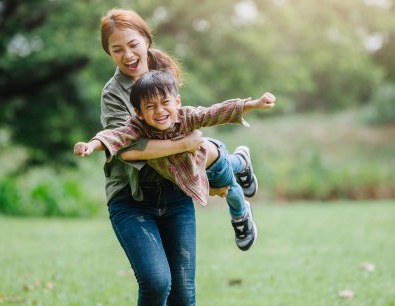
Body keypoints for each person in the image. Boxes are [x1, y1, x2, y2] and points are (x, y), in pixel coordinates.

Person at [76, 8, 258, 306]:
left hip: (174, 194)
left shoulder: (162, 72)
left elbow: (195, 116)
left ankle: (237, 166)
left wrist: (247, 107)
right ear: (108, 53)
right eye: (116, 49)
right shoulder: (113, 94)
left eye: (133, 44)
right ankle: (236, 166)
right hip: (132, 198)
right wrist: (186, 144)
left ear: (146, 39)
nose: (128, 55)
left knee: (184, 295)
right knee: (157, 282)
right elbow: (128, 149)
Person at [74, 70, 276, 252]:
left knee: (230, 190)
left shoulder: (186, 117)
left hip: (211, 162)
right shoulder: (137, 129)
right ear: (139, 112)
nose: (159, 111)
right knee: (231, 171)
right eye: (150, 106)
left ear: (177, 102)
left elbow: (215, 112)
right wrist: (91, 145)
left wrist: (253, 104)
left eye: (165, 103)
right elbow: (115, 136)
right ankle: (241, 160)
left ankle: (241, 216)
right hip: (193, 170)